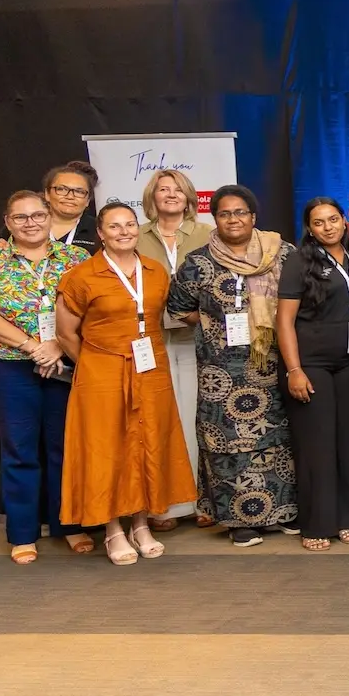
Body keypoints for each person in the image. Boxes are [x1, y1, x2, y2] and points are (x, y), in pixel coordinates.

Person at [54, 201, 197, 564]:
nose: (124, 232)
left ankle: (142, 523)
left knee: (147, 442)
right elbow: (66, 332)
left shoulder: (155, 271)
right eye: (114, 226)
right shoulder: (81, 276)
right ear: (100, 233)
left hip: (150, 369)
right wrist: (93, 364)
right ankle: (113, 530)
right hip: (101, 371)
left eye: (130, 225)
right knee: (108, 449)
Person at [165, 184, 297, 546]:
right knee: (228, 444)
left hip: (273, 363)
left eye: (240, 212)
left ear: (254, 217)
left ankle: (283, 511)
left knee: (278, 438)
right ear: (215, 219)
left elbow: (301, 302)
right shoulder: (198, 261)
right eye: (225, 213)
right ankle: (239, 520)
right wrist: (214, 326)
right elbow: (177, 307)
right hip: (221, 372)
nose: (233, 219)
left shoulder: (282, 253)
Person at [0, 190, 91, 563]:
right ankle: (22, 533)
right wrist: (34, 347)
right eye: (21, 218)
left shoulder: (76, 258)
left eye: (37, 215)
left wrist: (56, 347)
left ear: (49, 217)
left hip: (64, 362)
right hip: (11, 365)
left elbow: (88, 310)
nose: (30, 223)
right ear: (7, 222)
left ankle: (69, 524)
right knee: (19, 449)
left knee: (64, 446)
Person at [276, 198, 349, 551]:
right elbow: (284, 320)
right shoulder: (299, 261)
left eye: (333, 219)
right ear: (310, 228)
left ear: (345, 222)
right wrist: (294, 370)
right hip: (311, 363)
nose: (328, 227)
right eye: (319, 222)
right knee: (317, 444)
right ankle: (317, 523)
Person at [136, 168, 213, 531]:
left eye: (177, 190)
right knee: (164, 419)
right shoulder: (134, 235)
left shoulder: (207, 233)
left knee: (199, 417)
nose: (170, 195)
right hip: (151, 341)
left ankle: (204, 500)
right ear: (152, 197)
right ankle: (164, 506)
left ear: (189, 197)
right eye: (163, 189)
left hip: (198, 337)